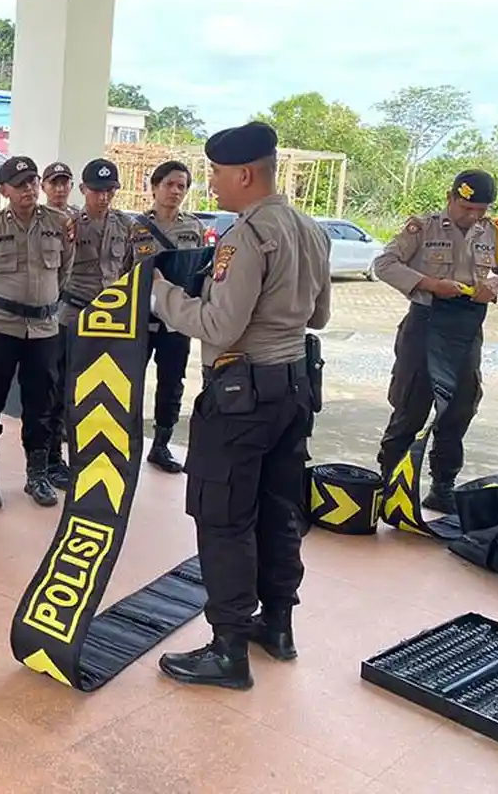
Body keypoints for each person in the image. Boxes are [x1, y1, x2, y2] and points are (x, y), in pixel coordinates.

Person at [150, 122, 331, 691]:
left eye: (218, 173)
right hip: (294, 386)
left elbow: (220, 326)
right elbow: (318, 317)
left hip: (241, 393)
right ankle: (277, 625)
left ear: (246, 174)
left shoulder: (245, 235)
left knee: (223, 515)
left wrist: (163, 294)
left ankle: (229, 649)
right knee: (279, 507)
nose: (212, 182)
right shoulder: (310, 229)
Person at [373, 170, 498, 513]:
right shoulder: (423, 227)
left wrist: (496, 284)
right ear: (451, 198)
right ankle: (390, 484)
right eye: (466, 208)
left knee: (459, 408)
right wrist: (431, 283)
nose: (473, 216)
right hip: (425, 322)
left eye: (480, 209)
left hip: (467, 327)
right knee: (411, 406)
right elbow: (384, 263)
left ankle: (442, 485)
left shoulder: (494, 231)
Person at [0, 156, 76, 510]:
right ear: (4, 190)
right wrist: (0, 308)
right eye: (20, 184)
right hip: (2, 326)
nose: (29, 189)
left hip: (44, 329)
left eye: (32, 181)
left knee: (42, 403)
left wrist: (43, 303)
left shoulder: (60, 224)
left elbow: (64, 273)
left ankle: (37, 473)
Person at [46, 158, 129, 490]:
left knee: (99, 396)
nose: (104, 197)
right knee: (61, 392)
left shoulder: (125, 226)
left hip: (108, 322)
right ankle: (53, 461)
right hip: (72, 316)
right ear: (83, 190)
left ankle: (89, 458)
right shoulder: (70, 224)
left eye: (110, 191)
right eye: (97, 191)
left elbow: (128, 270)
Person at [132, 161, 208, 474]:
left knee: (172, 384)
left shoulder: (194, 227)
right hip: (140, 319)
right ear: (154, 187)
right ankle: (127, 441)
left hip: (177, 321)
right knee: (131, 383)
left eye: (182, 186)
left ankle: (161, 444)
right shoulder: (134, 226)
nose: (175, 191)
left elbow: (201, 269)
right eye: (170, 184)